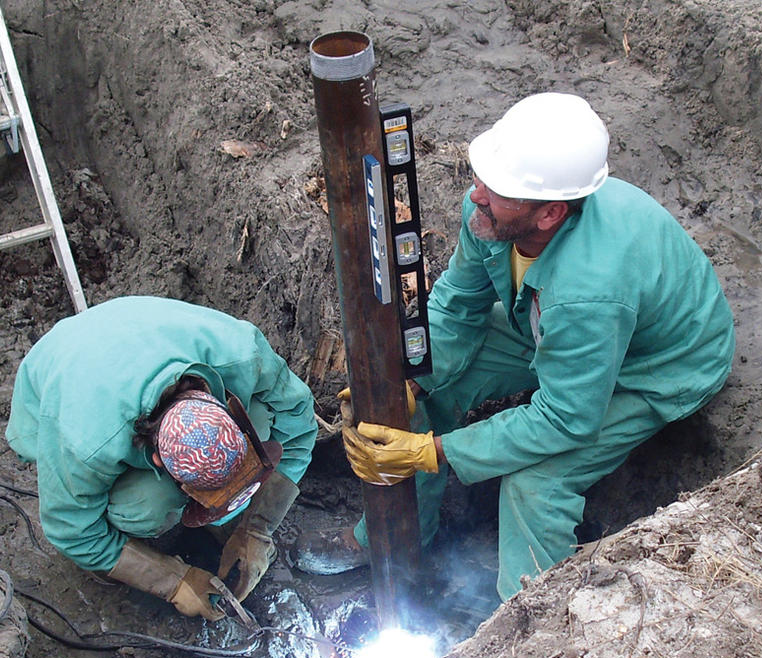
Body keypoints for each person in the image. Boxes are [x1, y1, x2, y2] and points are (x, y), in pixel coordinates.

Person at [293, 92, 735, 600]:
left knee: (534, 487)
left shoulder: (588, 292)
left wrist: (437, 451)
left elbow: (567, 418)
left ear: (549, 213)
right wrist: (411, 378)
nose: (477, 194)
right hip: (556, 326)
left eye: (496, 189)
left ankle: (523, 641)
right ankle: (395, 537)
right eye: (481, 177)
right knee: (427, 392)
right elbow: (458, 305)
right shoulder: (491, 215)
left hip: (658, 365)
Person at [6, 295, 317, 620]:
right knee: (143, 509)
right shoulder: (85, 443)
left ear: (224, 409)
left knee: (265, 422)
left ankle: (224, 504)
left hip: (133, 332)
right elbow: (70, 529)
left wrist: (257, 526)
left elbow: (298, 422)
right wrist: (172, 580)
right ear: (157, 460)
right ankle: (122, 547)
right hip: (63, 372)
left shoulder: (241, 353)